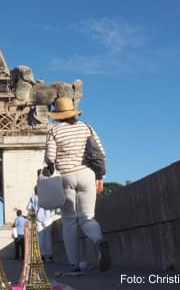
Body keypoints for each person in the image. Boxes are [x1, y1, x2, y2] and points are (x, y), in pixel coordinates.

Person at [45, 96, 111, 276]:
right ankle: (98, 241)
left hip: (66, 177)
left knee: (69, 221)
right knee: (87, 217)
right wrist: (100, 177)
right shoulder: (86, 127)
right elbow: (100, 153)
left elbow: (50, 158)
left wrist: (50, 166)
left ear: (57, 114)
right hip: (87, 174)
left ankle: (74, 264)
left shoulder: (54, 130)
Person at [27, 186, 54, 263]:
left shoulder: (33, 198)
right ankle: (50, 256)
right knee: (48, 237)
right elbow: (52, 208)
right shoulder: (47, 197)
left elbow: (28, 208)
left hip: (38, 219)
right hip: (48, 218)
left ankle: (41, 256)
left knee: (40, 238)